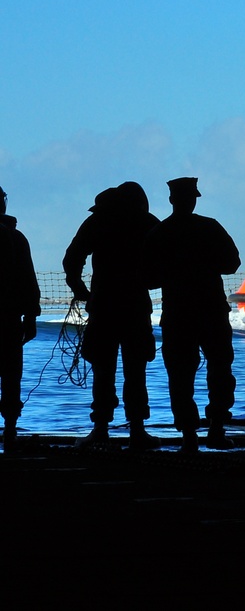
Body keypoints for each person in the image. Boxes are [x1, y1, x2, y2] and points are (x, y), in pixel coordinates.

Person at [144, 178, 241, 453]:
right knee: (220, 369)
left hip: (177, 312)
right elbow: (232, 263)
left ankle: (188, 436)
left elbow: (148, 278)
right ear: (194, 199)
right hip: (211, 309)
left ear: (172, 200)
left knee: (180, 375)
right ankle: (217, 429)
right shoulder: (210, 227)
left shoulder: (159, 233)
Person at [64, 183, 160, 450]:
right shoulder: (147, 222)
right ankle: (138, 430)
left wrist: (80, 289)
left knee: (103, 370)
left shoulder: (99, 220)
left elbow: (73, 258)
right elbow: (165, 258)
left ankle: (100, 429)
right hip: (135, 306)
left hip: (103, 305)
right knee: (136, 370)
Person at [0, 186, 40, 451]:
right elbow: (29, 279)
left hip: (11, 316)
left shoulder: (16, 237)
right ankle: (11, 429)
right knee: (12, 376)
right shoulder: (16, 238)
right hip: (9, 318)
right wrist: (31, 316)